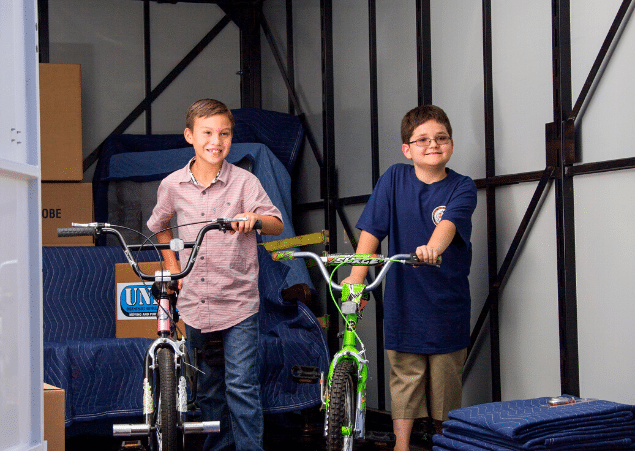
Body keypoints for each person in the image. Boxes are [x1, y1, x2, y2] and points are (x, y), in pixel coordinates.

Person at [147, 98, 284, 451]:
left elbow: (276, 223)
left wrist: (255, 219)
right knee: (208, 388)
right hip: (195, 302)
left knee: (241, 385)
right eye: (207, 132)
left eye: (224, 133)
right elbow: (159, 225)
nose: (216, 141)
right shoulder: (172, 185)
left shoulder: (245, 182)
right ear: (190, 135)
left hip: (238, 303)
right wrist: (173, 268)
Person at [342, 105, 477, 450]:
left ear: (451, 143)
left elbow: (448, 225)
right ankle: (401, 446)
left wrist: (432, 248)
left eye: (441, 138)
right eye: (422, 140)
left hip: (447, 302)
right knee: (405, 377)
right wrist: (356, 281)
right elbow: (372, 232)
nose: (433, 145)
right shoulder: (394, 178)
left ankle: (443, 443)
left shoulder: (462, 187)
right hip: (405, 300)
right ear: (407, 149)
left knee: (445, 382)